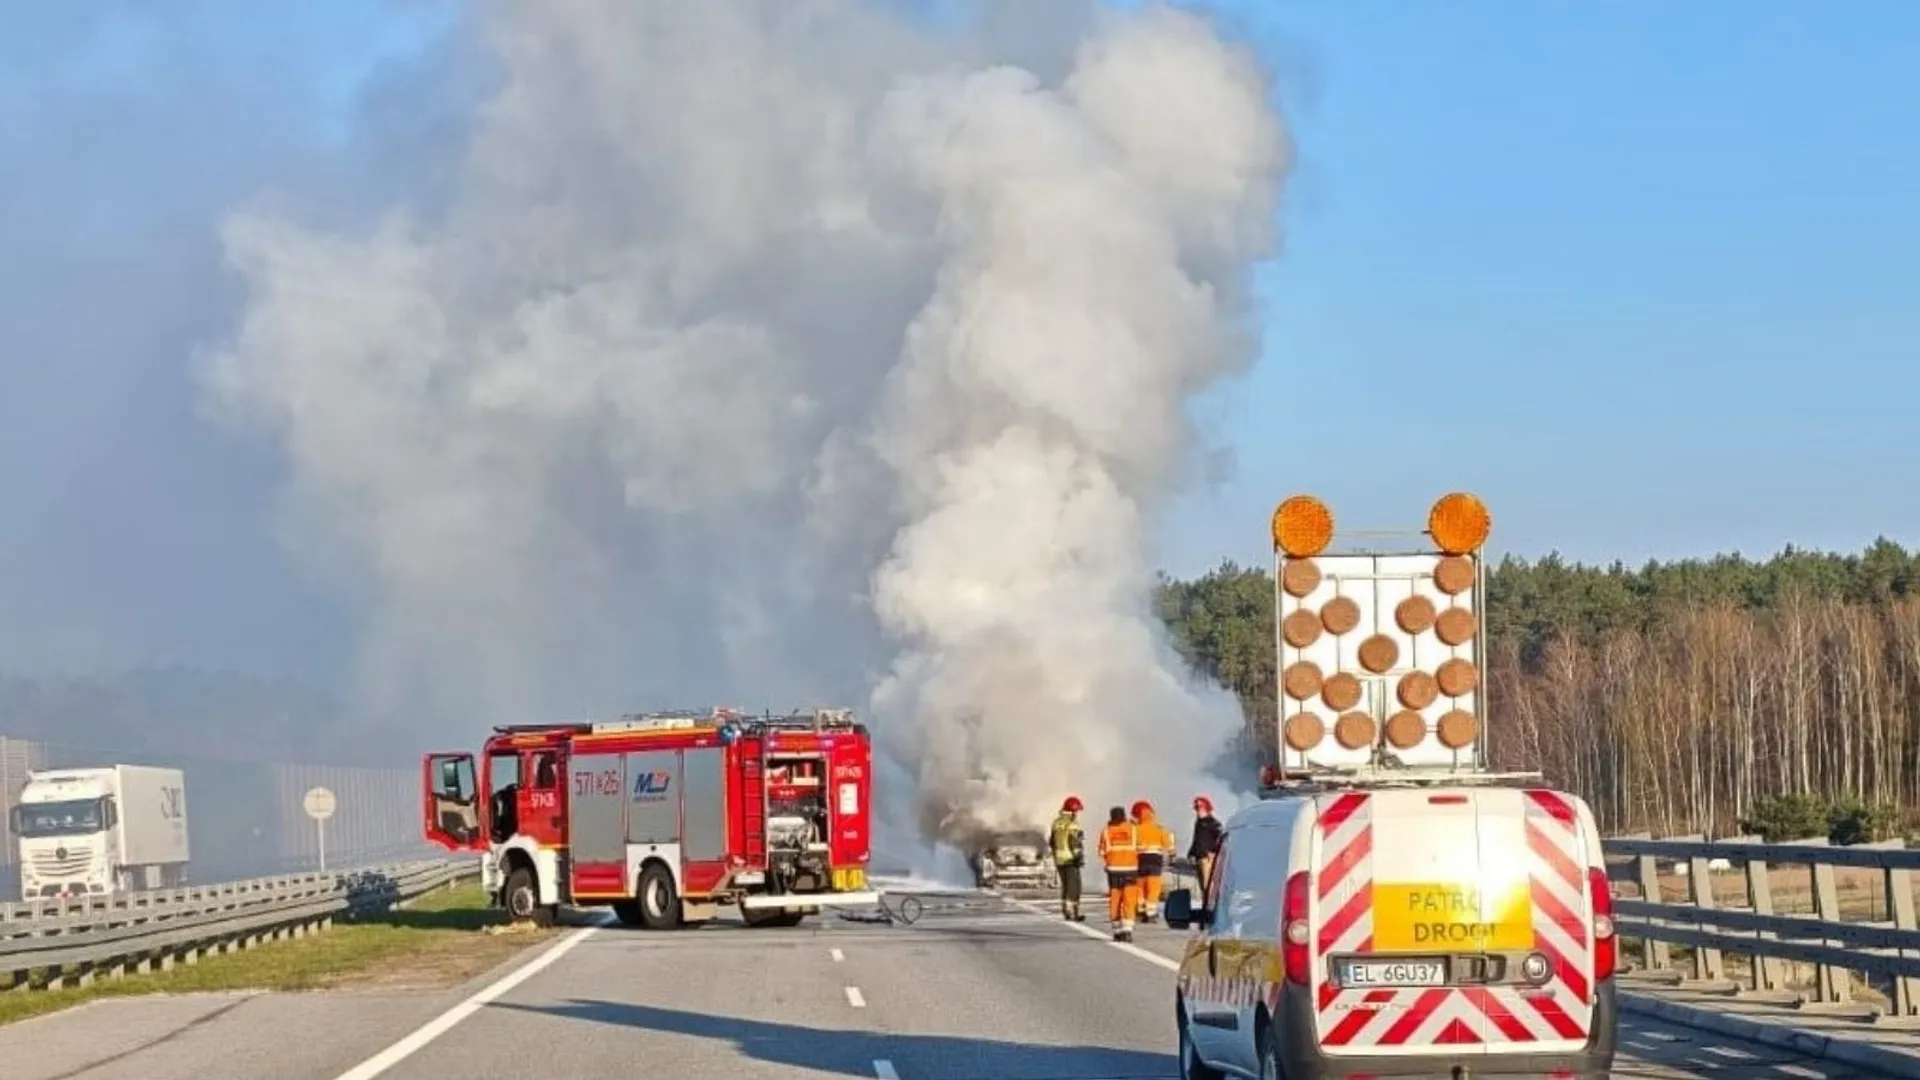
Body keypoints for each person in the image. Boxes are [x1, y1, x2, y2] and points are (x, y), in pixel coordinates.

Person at [1096, 805, 1139, 942]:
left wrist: (1111, 859)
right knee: (1129, 900)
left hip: (1113, 871)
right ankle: (1127, 930)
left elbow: (1101, 852)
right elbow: (1140, 849)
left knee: (1115, 900)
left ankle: (1117, 931)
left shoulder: (1106, 832)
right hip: (1131, 870)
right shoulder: (1133, 829)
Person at [1131, 800, 1173, 923]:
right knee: (1153, 888)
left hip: (1140, 860)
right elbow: (1168, 846)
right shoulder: (1160, 829)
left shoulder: (1135, 829)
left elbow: (1131, 846)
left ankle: (1140, 910)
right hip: (1155, 861)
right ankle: (1150, 913)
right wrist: (1171, 854)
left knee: (1140, 886)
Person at [1049, 796, 1086, 921]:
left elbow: (1052, 842)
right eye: (1077, 811)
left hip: (1059, 859)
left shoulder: (1056, 823)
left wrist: (1055, 855)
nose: (1077, 814)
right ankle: (1072, 912)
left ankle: (1066, 910)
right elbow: (1074, 843)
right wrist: (1079, 857)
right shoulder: (1072, 824)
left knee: (1065, 886)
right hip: (1070, 859)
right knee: (1074, 887)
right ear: (1073, 810)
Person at [1188, 794, 1224, 897]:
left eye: (1200, 807)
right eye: (1196, 807)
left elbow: (1221, 839)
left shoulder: (1213, 823)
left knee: (1208, 885)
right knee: (1203, 886)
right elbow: (1197, 840)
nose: (1198, 810)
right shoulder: (1198, 823)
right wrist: (1191, 853)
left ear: (1207, 808)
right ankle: (1205, 903)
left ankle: (1210, 904)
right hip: (1199, 858)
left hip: (1208, 859)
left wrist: (1213, 853)